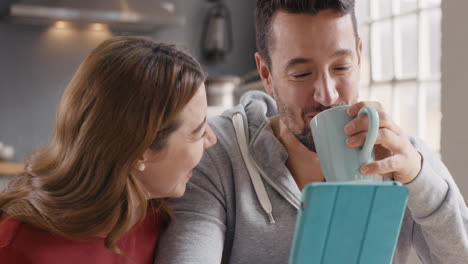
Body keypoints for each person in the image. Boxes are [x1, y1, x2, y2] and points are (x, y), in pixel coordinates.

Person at [155, 0, 468, 263]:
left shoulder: (401, 158)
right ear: (266, 74)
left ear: (359, 58)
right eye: (301, 73)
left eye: (342, 67)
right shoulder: (217, 153)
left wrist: (418, 178)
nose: (327, 95)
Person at [0, 36, 217, 263]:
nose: (211, 139)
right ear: (141, 149)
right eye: (198, 131)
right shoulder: (18, 247)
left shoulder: (162, 215)